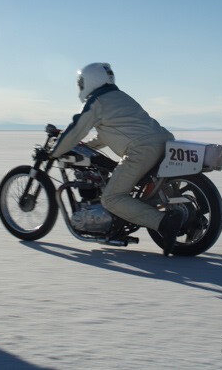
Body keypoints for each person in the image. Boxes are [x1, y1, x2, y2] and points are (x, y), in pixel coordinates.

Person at [49, 63, 184, 256]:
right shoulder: (120, 97)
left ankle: (163, 223)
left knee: (111, 198)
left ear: (90, 81)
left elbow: (76, 128)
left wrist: (54, 152)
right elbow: (107, 134)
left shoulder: (96, 102)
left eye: (81, 82)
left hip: (142, 149)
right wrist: (85, 147)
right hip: (163, 141)